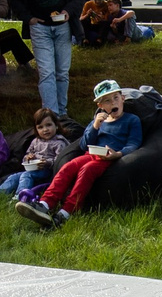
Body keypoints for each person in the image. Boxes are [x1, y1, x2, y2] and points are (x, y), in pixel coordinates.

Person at [17, 81, 140, 227]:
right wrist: (95, 127)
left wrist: (118, 154)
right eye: (107, 100)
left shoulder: (132, 120)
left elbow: (134, 144)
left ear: (123, 98)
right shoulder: (98, 121)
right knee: (68, 167)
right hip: (91, 154)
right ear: (100, 106)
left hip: (110, 158)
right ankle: (45, 204)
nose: (113, 102)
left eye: (116, 98)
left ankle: (67, 211)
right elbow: (83, 144)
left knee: (87, 170)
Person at [4, 0, 85, 117]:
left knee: (62, 72)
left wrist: (68, 12)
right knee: (47, 72)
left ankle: (62, 113)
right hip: (39, 26)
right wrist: (28, 18)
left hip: (62, 25)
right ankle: (51, 114)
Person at [7, 109, 72, 203]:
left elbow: (60, 162)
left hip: (47, 172)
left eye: (48, 125)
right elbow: (27, 155)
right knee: (14, 177)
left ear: (56, 125)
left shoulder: (59, 143)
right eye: (40, 127)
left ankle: (21, 197)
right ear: (36, 130)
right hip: (34, 170)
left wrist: (46, 163)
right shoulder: (35, 141)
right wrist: (28, 158)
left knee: (26, 175)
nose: (45, 129)